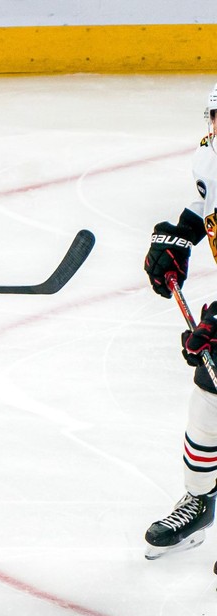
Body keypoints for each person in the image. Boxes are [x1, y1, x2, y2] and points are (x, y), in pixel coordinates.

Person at [142, 82, 217, 559]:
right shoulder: (210, 153)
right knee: (209, 397)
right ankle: (200, 501)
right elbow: (206, 200)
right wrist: (181, 236)